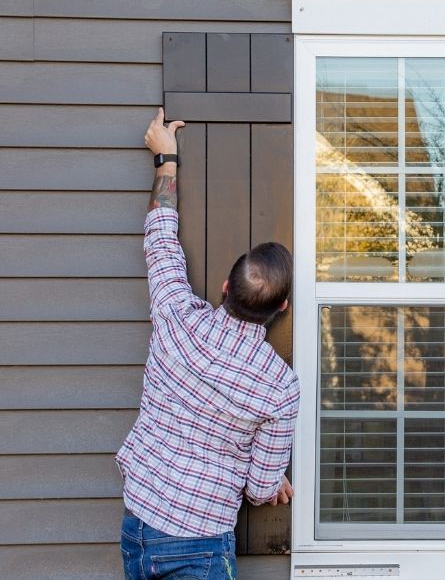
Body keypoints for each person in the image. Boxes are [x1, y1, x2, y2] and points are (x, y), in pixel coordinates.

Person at [116, 108, 300, 580]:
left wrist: (166, 159)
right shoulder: (279, 388)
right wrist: (270, 474)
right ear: (281, 310)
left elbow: (161, 241)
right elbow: (261, 489)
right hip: (198, 541)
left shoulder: (177, 317)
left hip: (140, 519)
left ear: (224, 286)